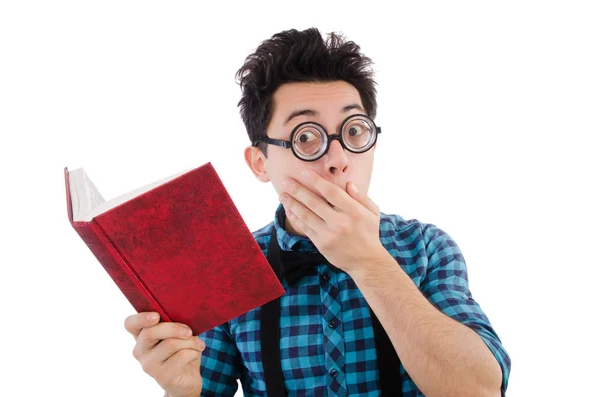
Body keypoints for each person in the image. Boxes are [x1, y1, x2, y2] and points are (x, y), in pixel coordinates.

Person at [124, 27, 511, 397]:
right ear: (260, 163)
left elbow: (481, 390)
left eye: (354, 130)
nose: (338, 160)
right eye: (306, 136)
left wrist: (370, 263)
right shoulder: (228, 268)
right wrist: (183, 391)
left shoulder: (427, 247)